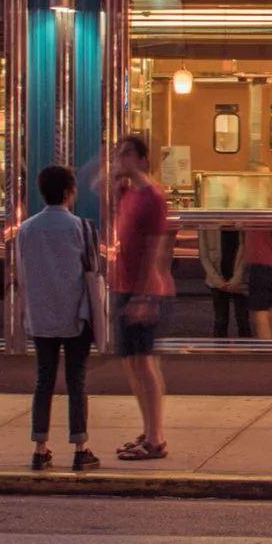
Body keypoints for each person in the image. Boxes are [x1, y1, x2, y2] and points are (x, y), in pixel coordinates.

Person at [9, 164, 98, 470]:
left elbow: (21, 272)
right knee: (77, 380)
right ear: (69, 193)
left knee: (43, 380)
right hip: (75, 316)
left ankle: (40, 448)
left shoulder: (26, 229)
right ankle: (80, 448)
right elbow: (93, 270)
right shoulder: (81, 228)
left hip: (41, 316)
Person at [108, 133, 173, 460]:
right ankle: (148, 431)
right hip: (124, 286)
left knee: (145, 363)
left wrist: (144, 296)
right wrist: (113, 172)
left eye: (127, 154)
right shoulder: (127, 193)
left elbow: (154, 251)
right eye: (119, 154)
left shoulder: (152, 198)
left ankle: (155, 437)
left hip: (143, 290)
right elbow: (96, 186)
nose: (120, 159)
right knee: (133, 363)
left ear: (143, 160)